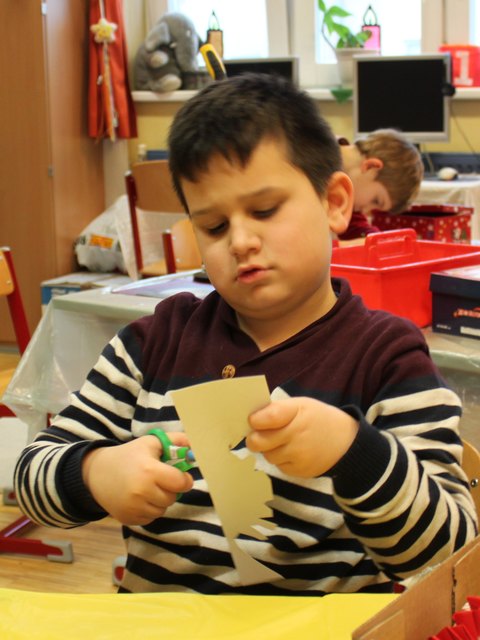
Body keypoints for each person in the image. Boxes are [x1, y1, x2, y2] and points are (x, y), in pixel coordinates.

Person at [14, 74, 476, 596]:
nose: (240, 241)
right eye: (213, 227)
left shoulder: (387, 357)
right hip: (164, 623)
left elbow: (448, 552)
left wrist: (353, 451)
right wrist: (95, 473)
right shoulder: (153, 343)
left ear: (334, 203)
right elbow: (32, 476)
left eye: (264, 211)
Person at [338, 129, 424, 241]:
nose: (365, 211)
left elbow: (356, 227)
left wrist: (382, 241)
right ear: (371, 166)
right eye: (376, 201)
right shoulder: (316, 159)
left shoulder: (352, 196)